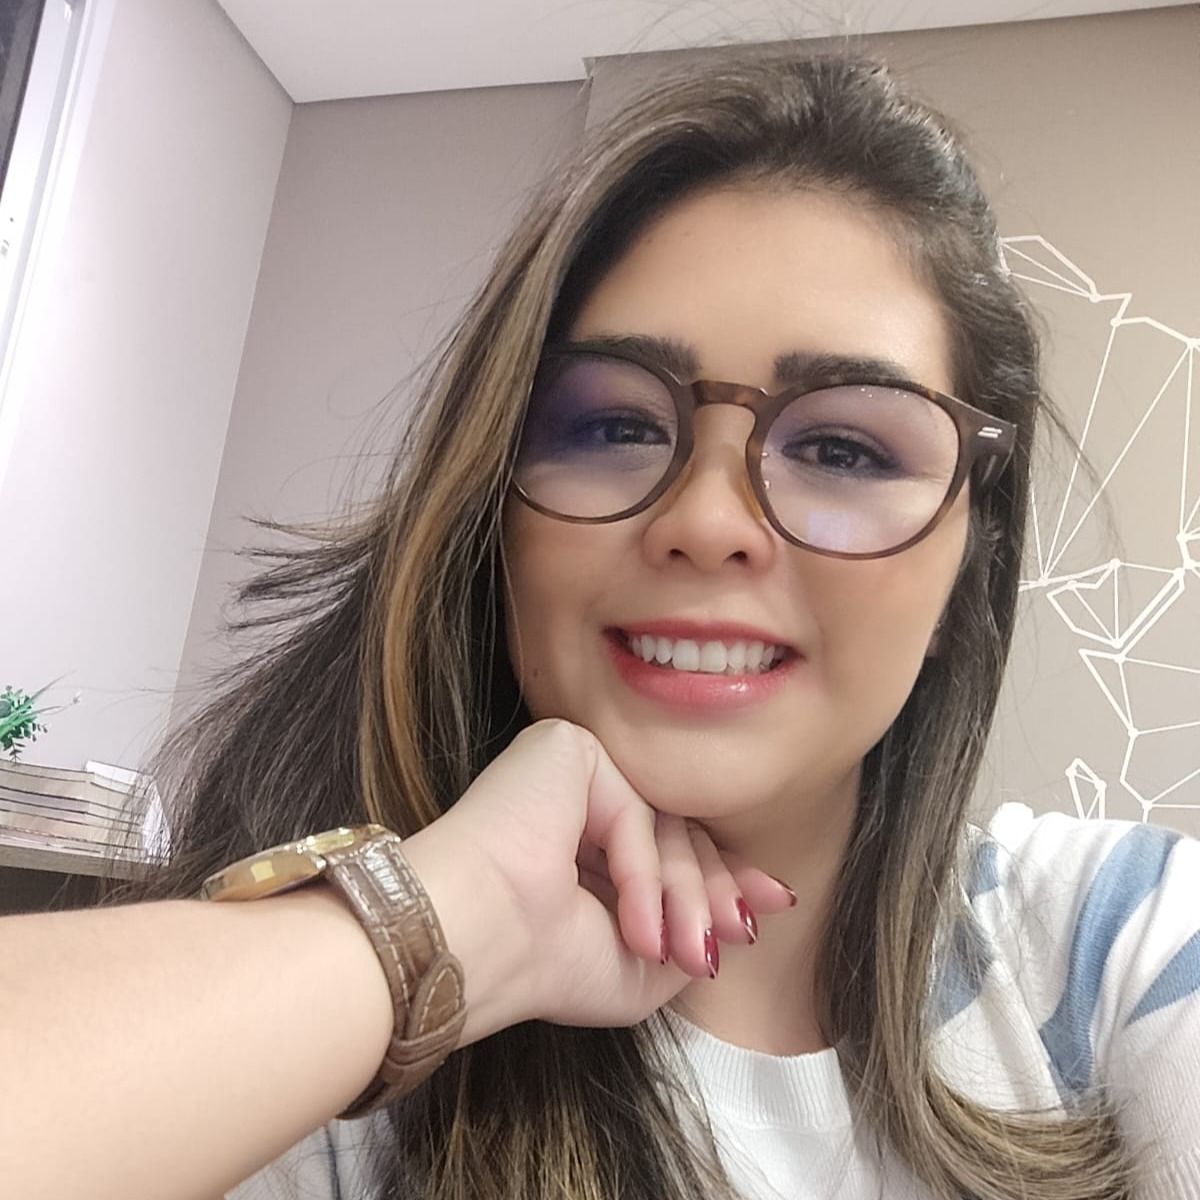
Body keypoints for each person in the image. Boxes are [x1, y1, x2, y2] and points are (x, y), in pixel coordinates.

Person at [3, 50, 1198, 1200]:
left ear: (966, 580)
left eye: (844, 448)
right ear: (494, 517)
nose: (708, 523)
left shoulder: (1119, 945)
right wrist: (436, 930)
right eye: (615, 426)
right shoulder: (309, 1075)